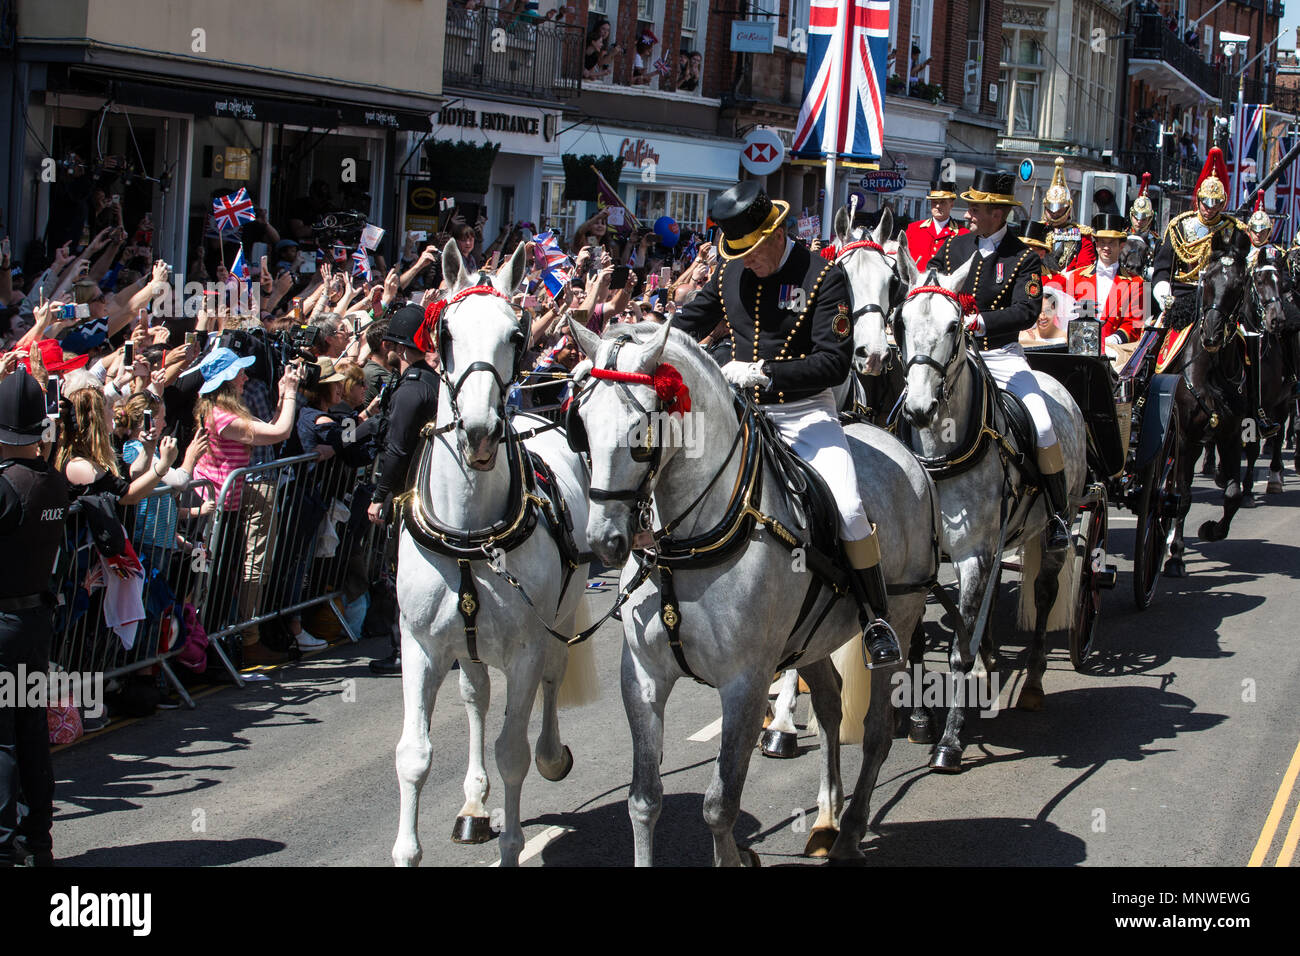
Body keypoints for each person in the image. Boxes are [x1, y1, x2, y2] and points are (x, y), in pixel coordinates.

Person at [675, 182, 900, 667]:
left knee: (848, 505)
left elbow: (834, 363)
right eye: (739, 251)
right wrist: (639, 343)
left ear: (776, 233)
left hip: (803, 412)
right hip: (737, 414)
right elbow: (686, 324)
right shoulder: (731, 272)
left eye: (753, 250)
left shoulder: (824, 277)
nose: (747, 260)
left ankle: (874, 616)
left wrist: (764, 372)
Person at [930, 168, 1071, 555]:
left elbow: (1027, 311)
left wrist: (982, 321)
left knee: (1042, 424)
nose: (968, 213)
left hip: (1000, 355)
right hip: (954, 357)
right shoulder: (952, 248)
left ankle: (1057, 515)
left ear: (998, 213)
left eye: (976, 207)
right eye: (970, 206)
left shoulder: (1023, 257)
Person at [192, 347, 302, 664]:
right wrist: (292, 393)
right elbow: (279, 432)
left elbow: (267, 428)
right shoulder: (223, 416)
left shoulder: (223, 410)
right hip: (217, 507)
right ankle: (214, 650)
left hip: (227, 504)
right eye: (239, 373)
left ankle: (221, 646)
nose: (246, 377)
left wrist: (283, 394)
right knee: (215, 581)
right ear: (226, 381)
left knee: (224, 577)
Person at [0, 370, 70, 867]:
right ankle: (38, 838)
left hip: (4, 623)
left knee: (3, 737)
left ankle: (4, 844)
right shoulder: (52, 482)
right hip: (34, 622)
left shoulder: (6, 487)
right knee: (29, 731)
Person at [366, 305, 440, 675]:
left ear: (397, 345)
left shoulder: (412, 390)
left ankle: (401, 651)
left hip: (408, 491)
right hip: (427, 489)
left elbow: (396, 450)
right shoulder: (432, 382)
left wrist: (380, 496)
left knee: (400, 575)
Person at [1064, 214, 1145, 357]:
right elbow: (1066, 315)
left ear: (1121, 246)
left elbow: (1134, 324)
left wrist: (1112, 340)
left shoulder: (1137, 283)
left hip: (1113, 351)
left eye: (1112, 243)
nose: (1106, 248)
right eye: (1102, 242)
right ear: (1096, 244)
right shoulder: (1076, 277)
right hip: (1077, 349)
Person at [1042, 156, 1095, 271]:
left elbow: (1084, 269)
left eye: (1059, 209)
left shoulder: (1081, 235)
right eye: (1050, 208)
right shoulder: (1037, 230)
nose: (1054, 213)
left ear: (1068, 209)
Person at [905, 177, 968, 272]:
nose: (938, 206)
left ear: (951, 204)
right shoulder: (914, 229)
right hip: (918, 285)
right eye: (934, 202)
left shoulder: (963, 234)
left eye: (942, 202)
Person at [1127, 172, 1160, 278]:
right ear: (1131, 215)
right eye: (1136, 218)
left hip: (1146, 284)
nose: (1139, 222)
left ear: (1150, 218)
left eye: (1143, 219)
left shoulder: (1156, 241)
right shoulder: (1122, 237)